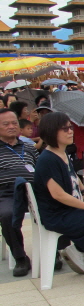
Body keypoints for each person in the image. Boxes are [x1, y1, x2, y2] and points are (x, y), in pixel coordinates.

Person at [32, 112, 84, 273]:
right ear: (52, 132)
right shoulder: (47, 159)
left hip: (68, 209)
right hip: (57, 214)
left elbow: (74, 176)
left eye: (70, 127)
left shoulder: (62, 153)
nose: (70, 131)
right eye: (65, 129)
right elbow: (58, 194)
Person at [0, 108, 37, 276]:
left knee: (57, 206)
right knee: (7, 215)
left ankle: (55, 252)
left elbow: (41, 168)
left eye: (14, 123)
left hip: (33, 190)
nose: (11, 126)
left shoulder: (29, 147)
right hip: (7, 192)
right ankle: (20, 257)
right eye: (6, 124)